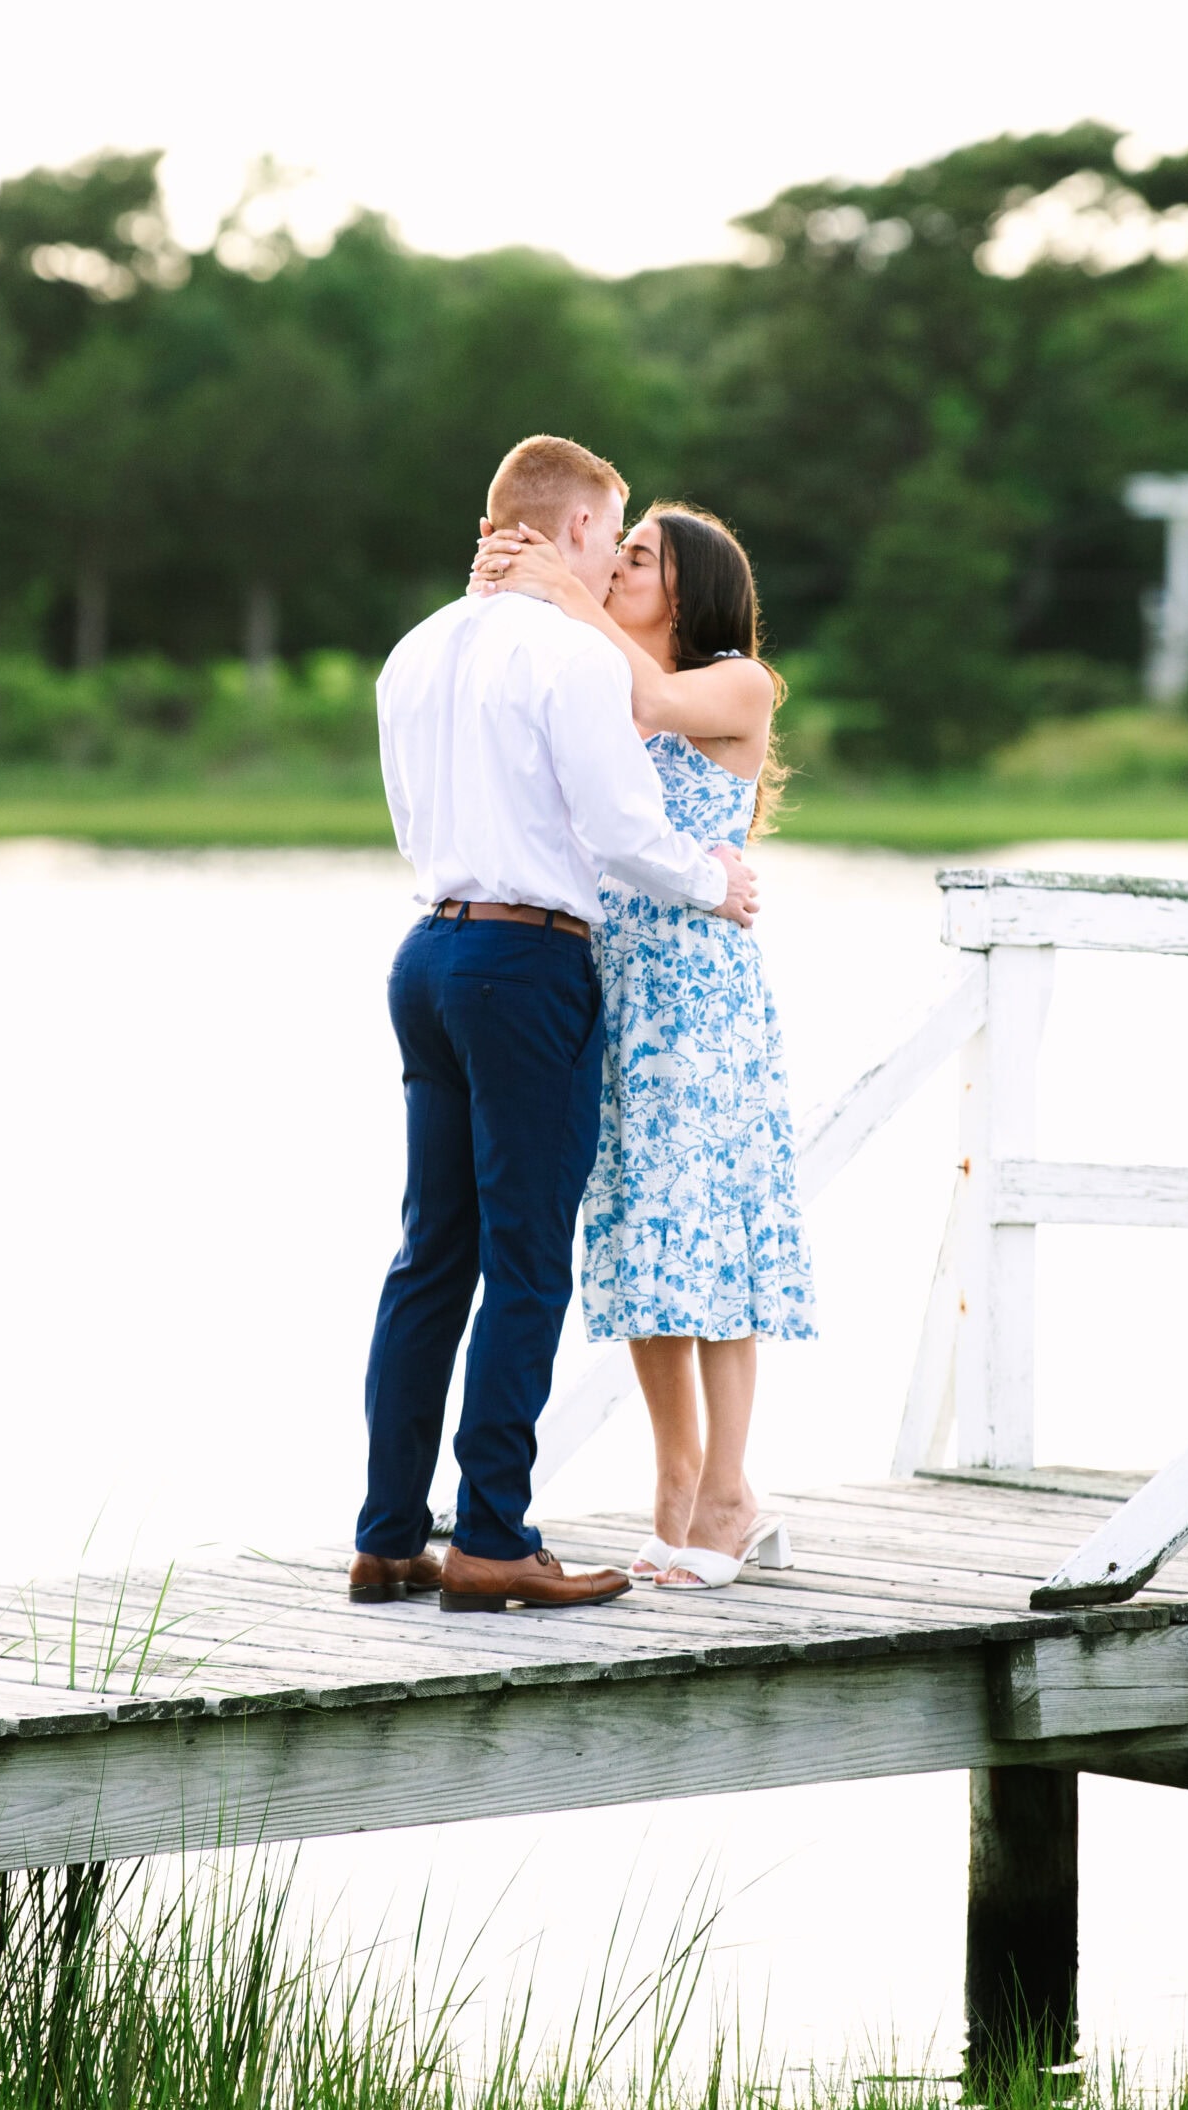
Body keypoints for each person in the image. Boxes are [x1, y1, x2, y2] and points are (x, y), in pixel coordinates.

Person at [352, 437, 761, 1615]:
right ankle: (491, 1537)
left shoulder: (412, 650)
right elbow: (627, 830)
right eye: (613, 531)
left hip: (426, 950)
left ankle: (388, 1538)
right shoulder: (567, 658)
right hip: (525, 963)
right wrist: (711, 883)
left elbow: (410, 816)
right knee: (527, 1262)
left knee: (430, 1256)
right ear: (576, 529)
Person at [469, 501, 813, 1590]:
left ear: (692, 585)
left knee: (708, 1228)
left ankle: (729, 1488)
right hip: (607, 981)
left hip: (698, 992)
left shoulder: (734, 684)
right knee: (635, 1235)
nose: (613, 568)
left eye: (637, 557)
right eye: (613, 554)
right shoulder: (593, 681)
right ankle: (673, 1484)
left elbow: (658, 696)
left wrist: (565, 588)